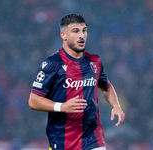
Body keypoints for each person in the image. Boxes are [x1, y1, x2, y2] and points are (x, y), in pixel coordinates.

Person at [28, 13, 125, 150]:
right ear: (63, 35)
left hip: (93, 139)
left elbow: (105, 86)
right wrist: (62, 107)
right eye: (75, 31)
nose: (82, 35)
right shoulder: (51, 64)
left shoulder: (95, 61)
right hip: (62, 140)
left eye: (84, 30)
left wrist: (116, 105)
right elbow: (33, 100)